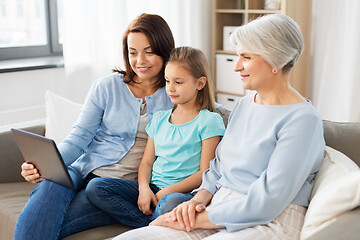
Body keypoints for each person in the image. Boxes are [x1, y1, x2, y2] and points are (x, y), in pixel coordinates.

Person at [113, 14, 326, 240]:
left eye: (245, 57)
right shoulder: (245, 105)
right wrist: (196, 201)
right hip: (219, 207)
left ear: (275, 61)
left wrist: (196, 218)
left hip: (269, 221)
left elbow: (267, 202)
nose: (236, 67)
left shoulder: (302, 120)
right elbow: (217, 167)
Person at [14, 13, 175, 240]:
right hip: (82, 170)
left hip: (114, 187)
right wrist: (44, 165)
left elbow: (211, 108)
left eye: (149, 51)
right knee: (51, 183)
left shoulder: (175, 93)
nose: (140, 60)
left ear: (164, 49)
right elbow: (79, 137)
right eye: (132, 52)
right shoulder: (106, 87)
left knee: (47, 223)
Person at [85, 46, 226, 227]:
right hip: (152, 188)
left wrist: (165, 192)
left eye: (179, 82)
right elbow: (147, 162)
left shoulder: (209, 121)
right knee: (96, 187)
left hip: (181, 193)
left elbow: (204, 173)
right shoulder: (159, 118)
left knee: (170, 203)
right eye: (167, 81)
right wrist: (144, 189)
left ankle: (152, 225)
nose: (171, 88)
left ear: (200, 83)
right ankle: (148, 224)